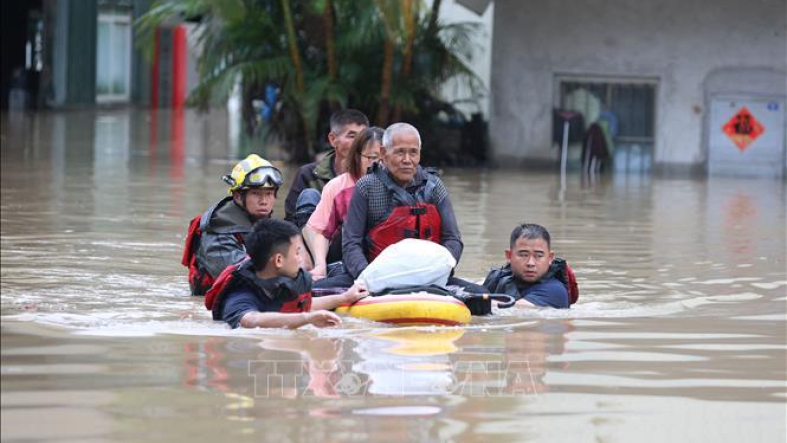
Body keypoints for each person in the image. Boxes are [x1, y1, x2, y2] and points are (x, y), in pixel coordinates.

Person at [316, 122, 483, 293]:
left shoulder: (434, 187)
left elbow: (453, 239)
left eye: (413, 152)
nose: (407, 160)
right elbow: (351, 243)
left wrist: (439, 270)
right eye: (399, 152)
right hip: (374, 277)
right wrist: (366, 278)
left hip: (428, 277)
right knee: (313, 292)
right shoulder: (366, 187)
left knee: (482, 295)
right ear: (383, 153)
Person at [205, 218, 368, 329]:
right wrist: (306, 319)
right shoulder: (240, 295)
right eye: (297, 253)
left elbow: (304, 305)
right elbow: (251, 320)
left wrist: (345, 297)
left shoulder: (280, 283)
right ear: (278, 261)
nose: (302, 261)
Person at [182, 154, 284, 295]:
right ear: (237, 196)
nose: (264, 201)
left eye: (269, 193)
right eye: (256, 193)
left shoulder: (267, 225)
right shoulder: (217, 232)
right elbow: (241, 277)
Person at [303, 127, 384, 280]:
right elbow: (321, 232)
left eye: (383, 158)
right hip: (345, 253)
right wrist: (320, 266)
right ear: (357, 157)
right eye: (372, 158)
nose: (378, 164)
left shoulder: (400, 185)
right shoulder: (337, 187)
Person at [284, 109, 370, 224]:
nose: (359, 143)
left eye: (363, 137)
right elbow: (290, 221)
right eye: (352, 136)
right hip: (314, 236)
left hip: (356, 237)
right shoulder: (308, 174)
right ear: (333, 139)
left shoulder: (374, 175)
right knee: (309, 195)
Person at [482, 223, 577, 309]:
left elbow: (513, 309)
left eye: (539, 256)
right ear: (509, 256)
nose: (530, 263)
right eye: (523, 255)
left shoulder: (555, 291)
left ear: (550, 258)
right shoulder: (499, 277)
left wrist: (470, 299)